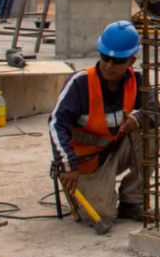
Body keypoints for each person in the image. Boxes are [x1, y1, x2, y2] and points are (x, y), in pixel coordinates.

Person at [49, 21, 150, 228]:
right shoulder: (80, 83)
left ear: (131, 60)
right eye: (105, 57)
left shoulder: (137, 80)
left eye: (117, 60)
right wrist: (67, 165)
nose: (109, 65)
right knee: (103, 213)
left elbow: (156, 110)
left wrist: (137, 119)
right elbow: (56, 124)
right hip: (85, 163)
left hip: (114, 152)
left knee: (150, 136)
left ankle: (131, 201)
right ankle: (93, 191)